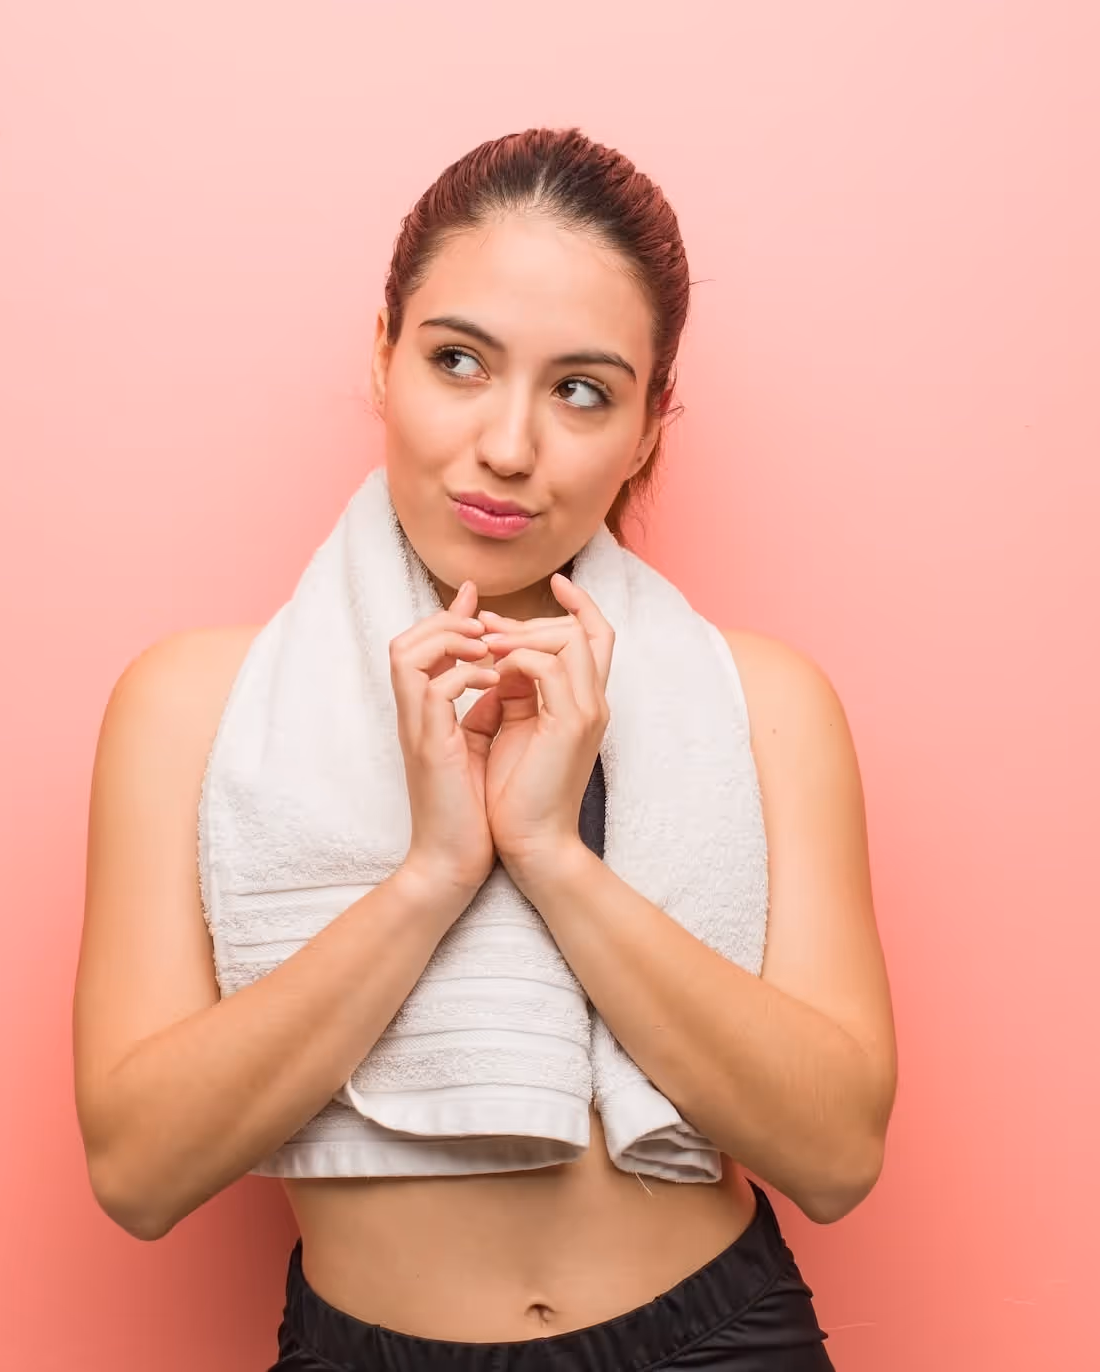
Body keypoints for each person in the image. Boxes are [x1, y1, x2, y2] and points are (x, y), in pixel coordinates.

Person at [73, 127, 896, 1370]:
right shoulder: (194, 706)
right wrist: (432, 875)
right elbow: (138, 1173)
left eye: (581, 389)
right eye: (460, 360)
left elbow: (835, 1158)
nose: (510, 445)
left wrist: (554, 856)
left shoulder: (761, 704)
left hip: (719, 1340)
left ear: (649, 424)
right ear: (384, 357)